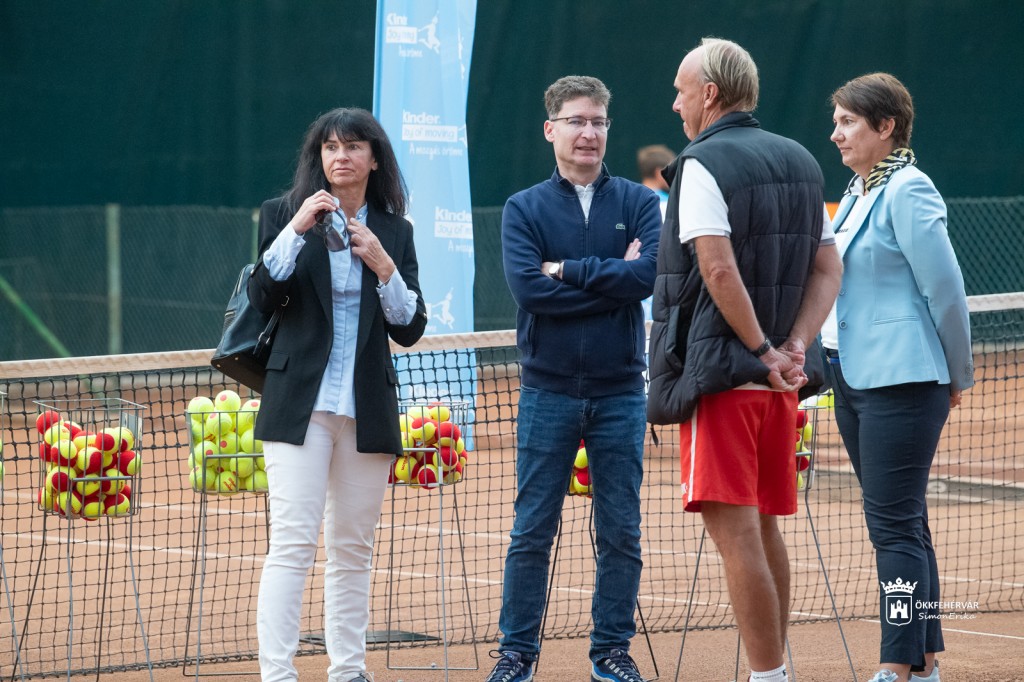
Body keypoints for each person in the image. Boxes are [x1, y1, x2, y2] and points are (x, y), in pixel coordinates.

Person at [646, 38, 842, 682]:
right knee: (762, 528)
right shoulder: (802, 159)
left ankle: (767, 674)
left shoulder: (700, 163)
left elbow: (718, 269)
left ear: (709, 94)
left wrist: (761, 351)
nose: (675, 103)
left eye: (681, 91)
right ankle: (774, 670)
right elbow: (828, 266)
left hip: (725, 375)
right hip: (779, 382)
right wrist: (795, 346)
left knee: (736, 536)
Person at [488, 75, 661, 682]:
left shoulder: (640, 203)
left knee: (621, 532)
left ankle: (611, 653)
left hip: (621, 392)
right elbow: (530, 292)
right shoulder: (523, 208)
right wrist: (614, 277)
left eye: (599, 122)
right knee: (531, 531)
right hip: (547, 391)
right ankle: (516, 655)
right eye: (577, 121)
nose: (589, 133)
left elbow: (650, 278)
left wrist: (566, 270)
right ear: (551, 129)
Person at [248, 107, 427, 682]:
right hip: (299, 404)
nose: (340, 156)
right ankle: (278, 673)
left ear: (374, 159)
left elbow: (409, 326)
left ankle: (349, 670)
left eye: (353, 146)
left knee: (353, 549)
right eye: (330, 147)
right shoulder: (284, 214)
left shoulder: (396, 231)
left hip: (366, 407)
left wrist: (383, 264)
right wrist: (297, 228)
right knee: (292, 545)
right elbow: (262, 295)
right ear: (318, 157)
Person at [825, 73, 973, 682]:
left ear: (886, 127)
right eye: (835, 122)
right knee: (904, 523)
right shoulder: (857, 192)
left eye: (848, 122)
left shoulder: (909, 189)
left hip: (904, 381)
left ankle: (894, 665)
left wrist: (956, 372)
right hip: (851, 378)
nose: (835, 134)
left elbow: (946, 291)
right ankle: (925, 660)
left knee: (892, 528)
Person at [636, 144, 675, 219]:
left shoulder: (631, 199)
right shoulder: (668, 203)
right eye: (671, 170)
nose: (674, 174)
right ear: (659, 172)